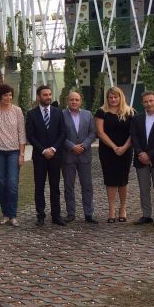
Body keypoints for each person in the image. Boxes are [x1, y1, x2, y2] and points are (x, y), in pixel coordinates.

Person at [26, 85, 66, 226]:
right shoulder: (31, 114)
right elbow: (30, 136)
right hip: (40, 156)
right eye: (45, 95)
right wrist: (43, 150)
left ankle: (56, 216)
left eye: (49, 94)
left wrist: (53, 149)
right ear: (38, 97)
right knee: (39, 187)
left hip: (55, 156)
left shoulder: (58, 112)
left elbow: (63, 133)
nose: (48, 97)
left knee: (55, 187)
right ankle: (40, 215)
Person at [94, 86, 135, 223]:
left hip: (126, 150)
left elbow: (133, 133)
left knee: (123, 180)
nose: (113, 99)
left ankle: (123, 208)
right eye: (110, 97)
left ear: (120, 97)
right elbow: (100, 133)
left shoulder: (130, 112)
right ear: (107, 99)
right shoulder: (101, 112)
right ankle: (111, 209)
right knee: (110, 180)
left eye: (115, 97)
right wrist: (114, 147)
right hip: (107, 151)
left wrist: (124, 147)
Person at [0, 84, 26, 227]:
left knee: (12, 184)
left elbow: (22, 133)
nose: (8, 97)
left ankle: (13, 215)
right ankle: (5, 214)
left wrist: (21, 154)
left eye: (10, 95)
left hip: (14, 152)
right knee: (2, 183)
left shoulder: (17, 110)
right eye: (5, 95)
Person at [130, 91, 154, 228]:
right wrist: (141, 153)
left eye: (151, 100)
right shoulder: (137, 118)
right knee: (144, 189)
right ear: (142, 103)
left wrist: (149, 155)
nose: (148, 103)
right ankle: (146, 215)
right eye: (145, 101)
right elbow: (134, 137)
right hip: (141, 159)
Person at [61, 91, 97, 224]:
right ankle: (71, 213)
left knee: (87, 186)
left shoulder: (88, 114)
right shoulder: (61, 115)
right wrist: (71, 146)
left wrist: (84, 145)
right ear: (67, 101)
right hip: (68, 156)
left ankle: (89, 214)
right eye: (72, 99)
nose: (74, 102)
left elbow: (93, 133)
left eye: (76, 100)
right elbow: (59, 134)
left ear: (81, 101)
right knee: (68, 186)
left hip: (84, 155)